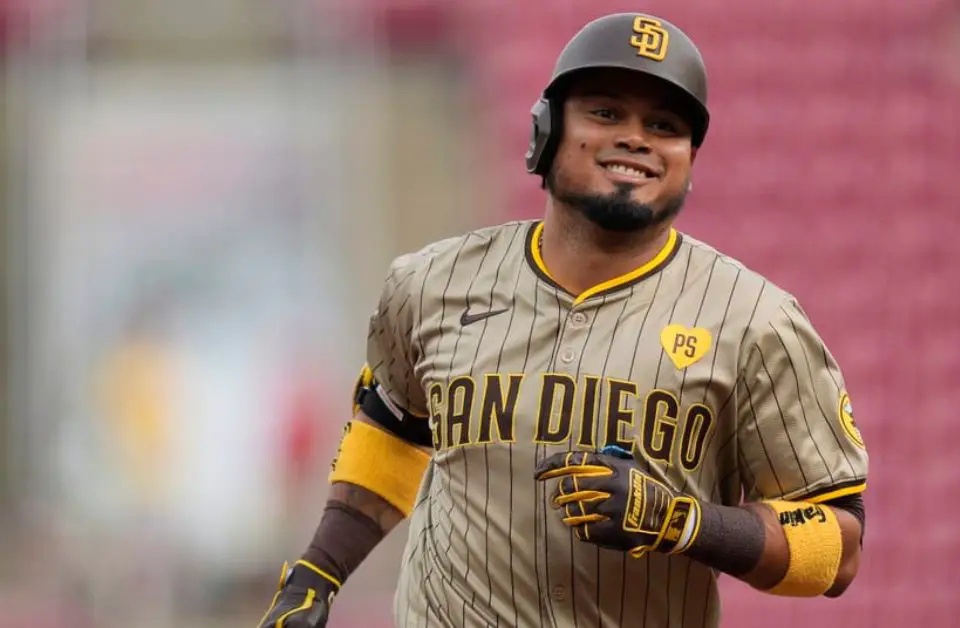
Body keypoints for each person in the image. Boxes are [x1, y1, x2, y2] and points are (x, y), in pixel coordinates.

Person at [258, 12, 869, 628]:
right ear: (546, 131)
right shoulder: (432, 284)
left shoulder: (755, 321)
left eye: (664, 126)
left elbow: (838, 549)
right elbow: (394, 427)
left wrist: (681, 522)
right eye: (605, 113)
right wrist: (316, 574)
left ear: (688, 158)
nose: (636, 139)